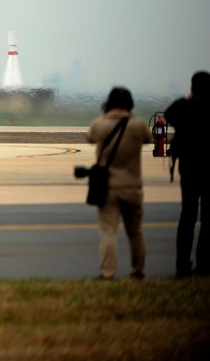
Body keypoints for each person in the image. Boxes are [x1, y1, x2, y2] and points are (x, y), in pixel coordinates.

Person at [86, 87, 152, 280]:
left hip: (109, 187)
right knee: (136, 232)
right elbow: (147, 139)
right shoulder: (138, 125)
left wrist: (104, 115)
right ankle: (138, 271)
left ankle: (108, 273)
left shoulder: (100, 124)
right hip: (133, 186)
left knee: (108, 232)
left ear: (108, 104)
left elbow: (90, 138)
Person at [165, 71, 210, 278]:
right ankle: (204, 266)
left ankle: (182, 267)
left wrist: (188, 97)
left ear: (192, 87)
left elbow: (168, 114)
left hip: (189, 170)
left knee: (187, 217)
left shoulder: (184, 108)